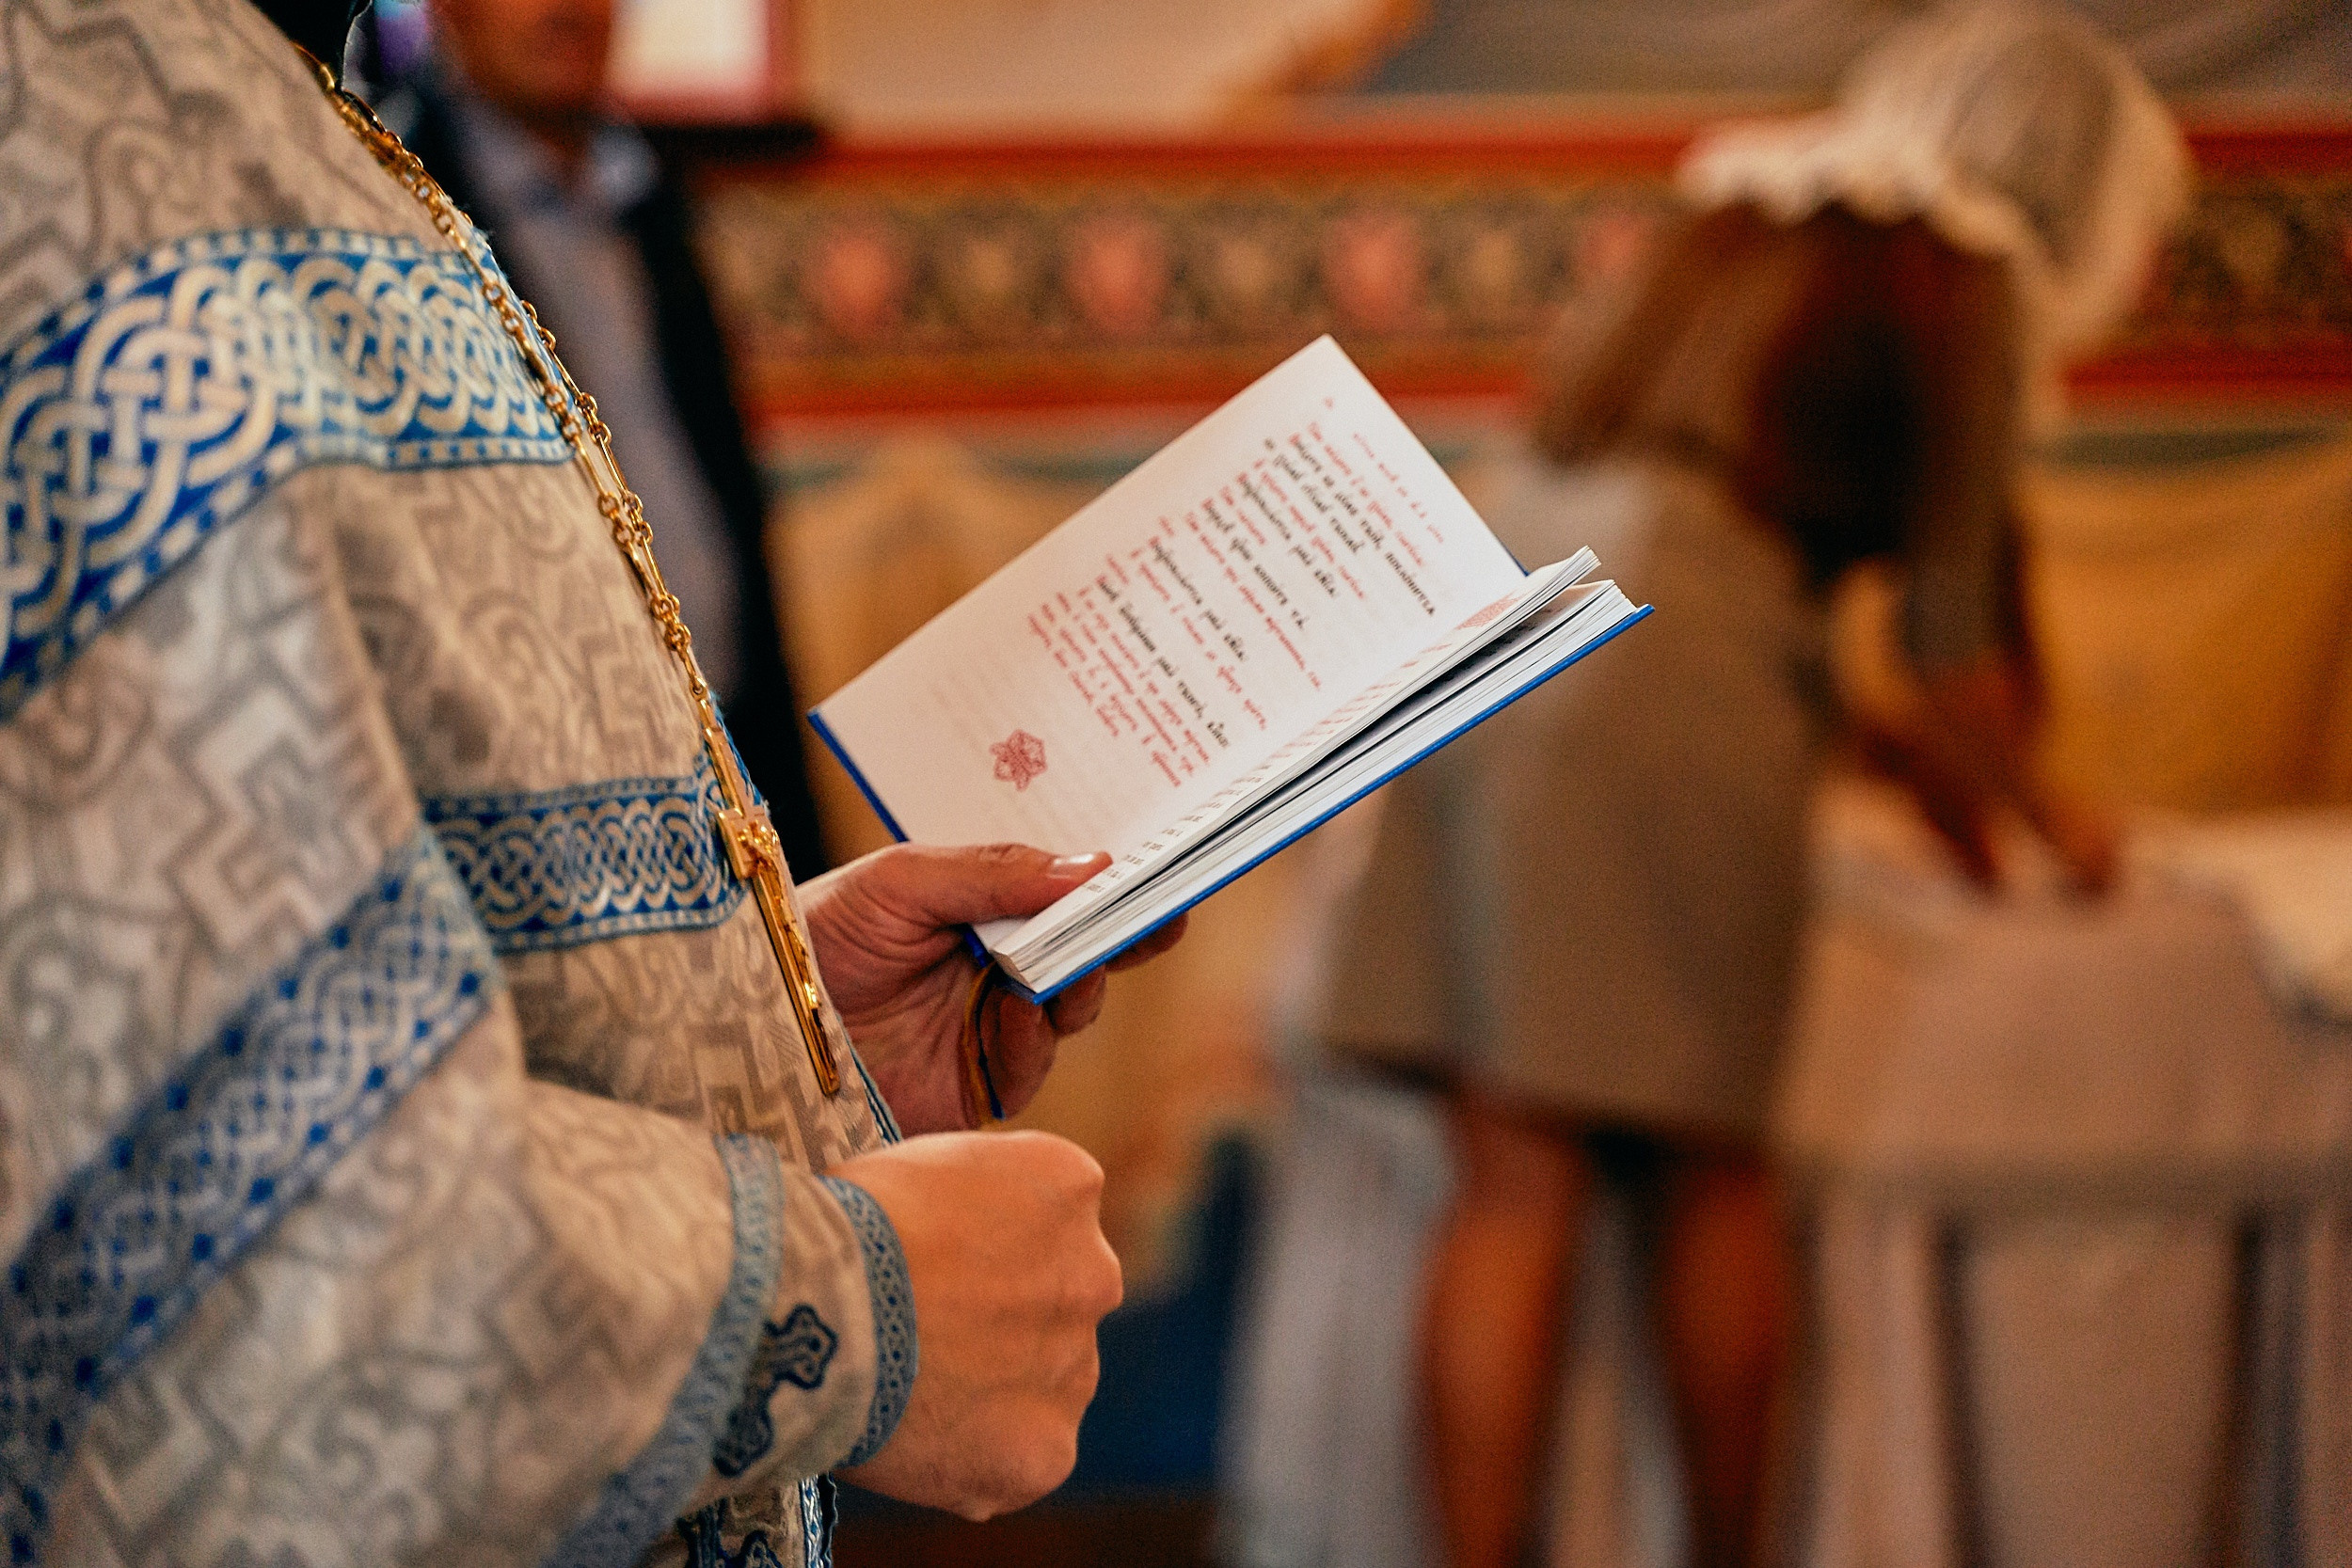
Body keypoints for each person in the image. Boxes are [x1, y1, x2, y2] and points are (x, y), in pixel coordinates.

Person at [0, 3, 1179, 1566]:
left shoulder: (247, 96)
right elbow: (254, 1274)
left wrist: (759, 1016)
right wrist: (857, 1296)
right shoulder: (75, 148)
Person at [1310, 9, 2188, 1567]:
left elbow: (1665, 487)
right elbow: (1953, 649)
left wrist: (1927, 776)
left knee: (1511, 1177)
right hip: (1667, 675)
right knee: (1716, 1169)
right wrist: (2069, 832)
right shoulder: (1963, 277)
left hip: (1505, 630)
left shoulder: (1751, 211)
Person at [375, 0, 828, 879]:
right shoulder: (392, 198)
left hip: (731, 753)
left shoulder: (649, 198)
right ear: (443, 10)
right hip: (550, 805)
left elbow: (724, 515)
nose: (568, 9)